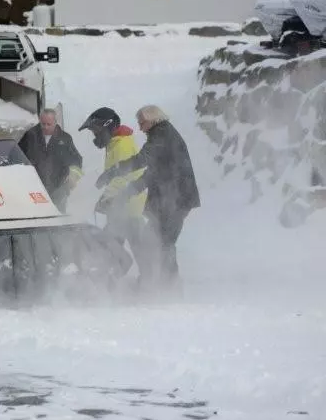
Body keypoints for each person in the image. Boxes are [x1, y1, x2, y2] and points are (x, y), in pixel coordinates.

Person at [95, 105, 200, 290]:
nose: (140, 127)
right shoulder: (161, 134)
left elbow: (141, 160)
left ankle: (170, 287)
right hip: (168, 198)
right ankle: (152, 282)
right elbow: (152, 173)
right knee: (150, 240)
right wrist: (127, 193)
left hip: (177, 198)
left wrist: (113, 172)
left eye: (141, 123)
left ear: (152, 120)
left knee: (164, 243)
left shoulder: (162, 135)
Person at [79, 107, 150, 280]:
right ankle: (115, 275)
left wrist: (107, 198)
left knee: (119, 242)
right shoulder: (114, 143)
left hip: (129, 206)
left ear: (107, 126)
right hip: (122, 205)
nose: (95, 135)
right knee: (114, 241)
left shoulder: (121, 144)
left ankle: (149, 282)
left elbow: (121, 178)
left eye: (95, 130)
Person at [17, 108, 83, 213]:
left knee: (57, 219)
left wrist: (73, 176)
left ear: (55, 123)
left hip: (59, 190)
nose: (45, 127)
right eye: (43, 124)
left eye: (49, 124)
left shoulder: (65, 139)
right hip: (35, 191)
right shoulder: (30, 136)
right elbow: (17, 156)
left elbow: (76, 161)